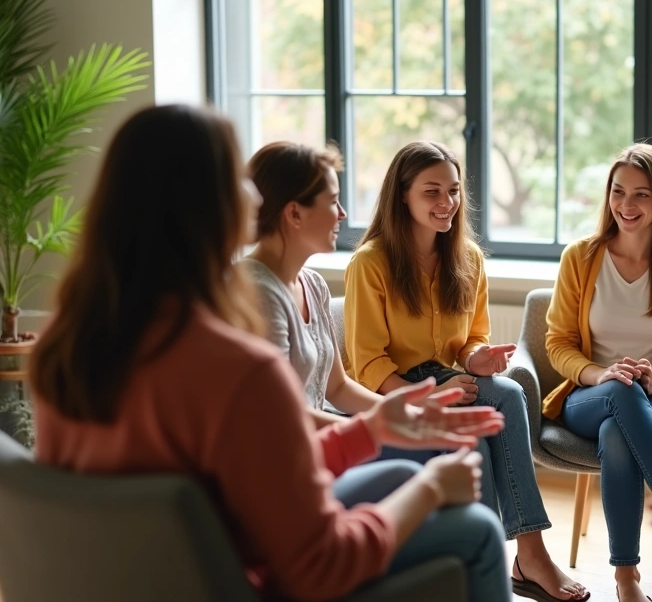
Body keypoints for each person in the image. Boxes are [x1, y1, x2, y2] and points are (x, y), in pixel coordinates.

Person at [29, 105, 512, 601]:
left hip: (138, 576)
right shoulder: (239, 368)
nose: (254, 193)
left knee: (399, 473)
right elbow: (321, 567)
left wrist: (373, 428)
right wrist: (432, 488)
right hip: (238, 575)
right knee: (474, 528)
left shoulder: (63, 348)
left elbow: (245, 463)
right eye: (238, 177)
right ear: (207, 206)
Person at [344, 141, 587, 602]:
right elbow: (367, 362)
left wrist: (478, 358)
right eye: (432, 192)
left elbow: (468, 339)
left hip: (446, 375)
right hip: (395, 388)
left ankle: (513, 557)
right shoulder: (371, 264)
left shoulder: (469, 259)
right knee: (481, 416)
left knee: (506, 391)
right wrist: (428, 400)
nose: (446, 203)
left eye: (453, 191)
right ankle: (506, 558)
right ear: (403, 196)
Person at [545, 143, 652, 602]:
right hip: (591, 394)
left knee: (618, 435)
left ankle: (625, 579)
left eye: (641, 194)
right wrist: (599, 373)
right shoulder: (580, 257)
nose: (626, 205)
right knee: (619, 393)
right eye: (618, 192)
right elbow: (557, 343)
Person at [242, 142, 384, 428]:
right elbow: (280, 413)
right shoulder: (258, 292)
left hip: (315, 443)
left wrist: (408, 412)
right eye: (333, 201)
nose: (342, 213)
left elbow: (337, 388)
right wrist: (375, 429)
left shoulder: (314, 284)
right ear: (294, 214)